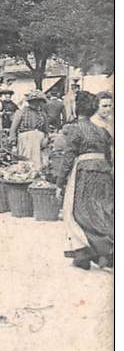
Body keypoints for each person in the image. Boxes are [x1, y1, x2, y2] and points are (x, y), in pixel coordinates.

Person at [57, 91, 114, 270]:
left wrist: (60, 182)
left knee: (77, 211)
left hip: (84, 171)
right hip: (103, 172)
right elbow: (109, 157)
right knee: (100, 210)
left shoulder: (75, 129)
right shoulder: (102, 131)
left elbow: (68, 157)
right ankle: (96, 255)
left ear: (76, 108)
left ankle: (87, 254)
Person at [10, 90, 48, 170]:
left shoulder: (42, 114)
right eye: (33, 101)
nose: (35, 104)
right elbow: (13, 129)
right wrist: (13, 144)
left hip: (38, 141)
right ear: (29, 102)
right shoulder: (21, 112)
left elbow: (46, 130)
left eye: (37, 101)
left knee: (37, 162)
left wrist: (46, 139)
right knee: (25, 161)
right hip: (25, 139)